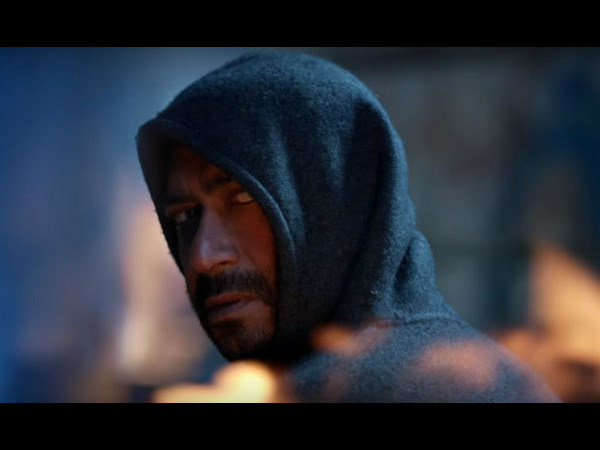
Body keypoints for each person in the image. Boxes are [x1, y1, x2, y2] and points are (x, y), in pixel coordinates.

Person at [136, 51, 559, 402]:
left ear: (331, 199)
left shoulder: (438, 386)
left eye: (243, 198)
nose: (203, 256)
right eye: (185, 216)